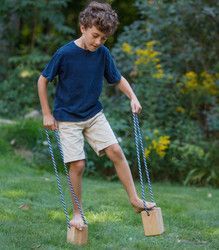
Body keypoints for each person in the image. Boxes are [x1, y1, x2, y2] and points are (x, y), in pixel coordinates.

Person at [38, 1, 155, 231]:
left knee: (116, 151)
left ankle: (134, 200)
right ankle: (77, 213)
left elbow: (117, 78)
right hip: (68, 118)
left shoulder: (102, 53)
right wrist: (46, 113)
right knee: (78, 165)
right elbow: (43, 80)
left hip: (93, 114)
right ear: (83, 27)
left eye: (104, 38)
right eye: (95, 35)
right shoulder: (65, 53)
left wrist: (133, 96)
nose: (98, 41)